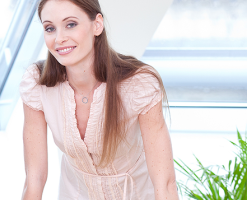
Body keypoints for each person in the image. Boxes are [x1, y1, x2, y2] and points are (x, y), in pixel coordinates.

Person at [19, 0, 178, 199]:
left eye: (70, 24)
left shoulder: (138, 85)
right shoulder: (37, 84)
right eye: (50, 28)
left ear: (97, 25)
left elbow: (165, 184)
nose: (59, 38)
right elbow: (35, 178)